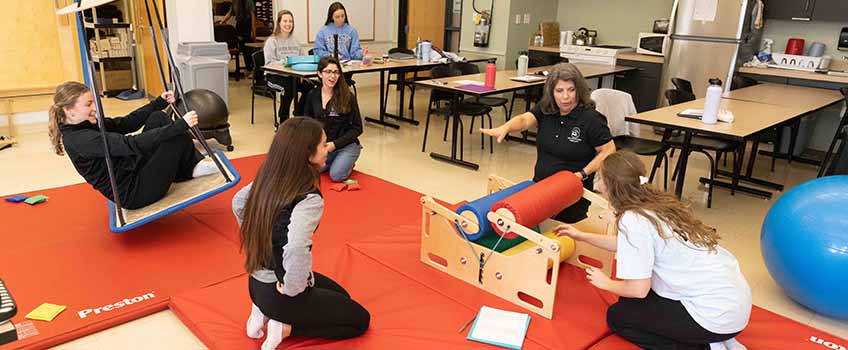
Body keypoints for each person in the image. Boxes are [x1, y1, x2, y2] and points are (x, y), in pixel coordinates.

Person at [556, 151, 751, 350]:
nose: (598, 185)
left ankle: (706, 346)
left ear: (611, 186)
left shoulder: (633, 220)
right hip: (733, 303)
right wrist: (582, 236)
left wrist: (606, 283)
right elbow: (628, 244)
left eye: (601, 179)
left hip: (715, 316)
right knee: (627, 301)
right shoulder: (653, 201)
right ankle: (717, 337)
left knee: (618, 317)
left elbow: (639, 290)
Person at [232, 117, 370, 350]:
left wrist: (258, 243)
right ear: (307, 153)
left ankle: (261, 311)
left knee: (343, 296)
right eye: (323, 145)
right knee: (359, 320)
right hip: (279, 293)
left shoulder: (270, 173)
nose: (328, 149)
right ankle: (284, 327)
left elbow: (239, 202)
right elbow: (296, 247)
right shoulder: (308, 197)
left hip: (256, 283)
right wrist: (291, 287)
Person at [481, 62, 616, 223]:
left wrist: (582, 174)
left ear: (578, 90)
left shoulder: (591, 119)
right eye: (559, 91)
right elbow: (524, 120)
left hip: (571, 194)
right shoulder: (546, 109)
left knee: (558, 235)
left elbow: (609, 150)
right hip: (540, 187)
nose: (565, 96)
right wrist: (506, 127)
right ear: (551, 92)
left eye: (571, 90)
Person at [48, 82, 219, 209]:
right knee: (173, 137)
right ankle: (189, 169)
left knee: (158, 117)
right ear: (68, 111)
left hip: (134, 169)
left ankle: (190, 166)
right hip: (134, 192)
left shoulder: (86, 123)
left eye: (93, 101)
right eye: (88, 104)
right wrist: (180, 125)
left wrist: (158, 103)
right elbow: (131, 144)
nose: (95, 108)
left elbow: (125, 124)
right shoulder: (80, 140)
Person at [302, 56, 363, 182]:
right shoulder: (312, 95)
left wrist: (334, 145)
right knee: (311, 170)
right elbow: (306, 123)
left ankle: (346, 161)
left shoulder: (348, 96)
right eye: (328, 72)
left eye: (336, 72)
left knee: (336, 175)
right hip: (323, 145)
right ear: (319, 74)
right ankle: (335, 160)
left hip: (345, 144)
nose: (332, 76)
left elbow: (357, 128)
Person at [263, 9, 314, 122]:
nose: (288, 24)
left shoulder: (295, 40)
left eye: (290, 21)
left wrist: (302, 75)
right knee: (288, 89)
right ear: (279, 23)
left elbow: (303, 59)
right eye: (285, 21)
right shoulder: (272, 41)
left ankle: (299, 114)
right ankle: (283, 120)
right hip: (273, 76)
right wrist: (285, 62)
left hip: (293, 76)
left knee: (311, 87)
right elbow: (269, 64)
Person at [216, 0, 256, 70]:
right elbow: (229, 13)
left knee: (248, 49)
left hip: (247, 25)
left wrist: (253, 30)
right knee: (242, 47)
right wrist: (221, 22)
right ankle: (248, 68)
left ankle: (251, 68)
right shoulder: (235, 2)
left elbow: (253, 17)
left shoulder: (249, 1)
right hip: (239, 25)